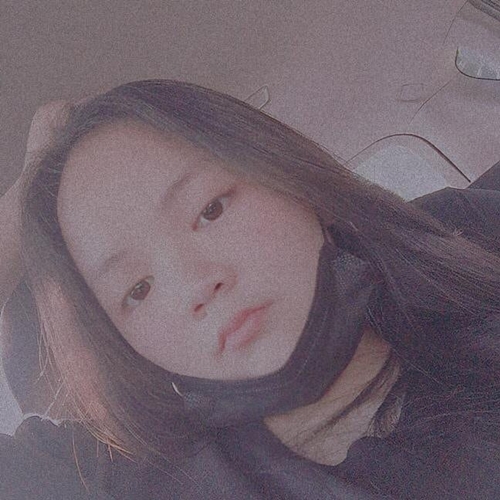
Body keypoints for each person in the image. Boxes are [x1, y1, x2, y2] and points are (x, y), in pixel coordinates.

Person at [0, 79, 499, 499]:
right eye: (138, 289)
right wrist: (26, 202)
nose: (195, 285)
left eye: (210, 209)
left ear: (289, 176)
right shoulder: (141, 482)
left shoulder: (464, 235)